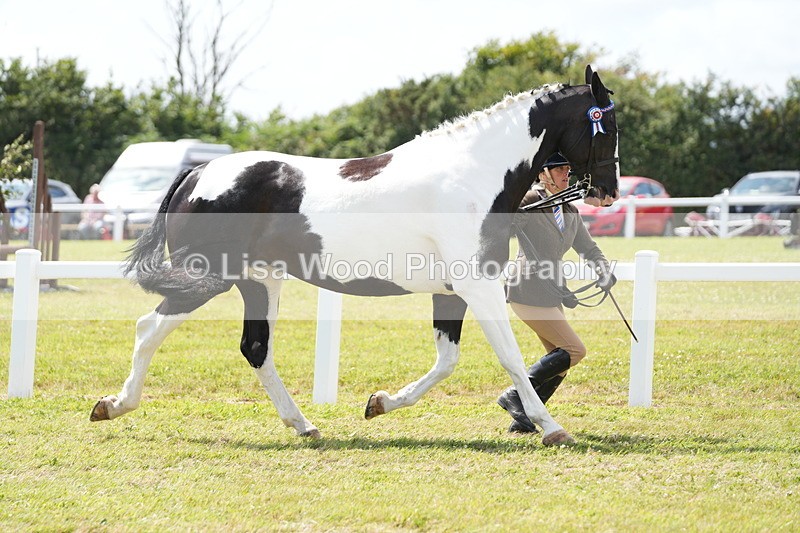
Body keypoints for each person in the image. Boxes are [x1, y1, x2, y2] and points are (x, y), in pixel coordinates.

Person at [497, 153, 616, 433]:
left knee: (559, 361)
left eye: (568, 168)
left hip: (552, 291)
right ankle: (515, 395)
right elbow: (503, 223)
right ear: (543, 174)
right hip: (527, 288)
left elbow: (588, 248)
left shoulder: (570, 211)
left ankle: (523, 421)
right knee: (574, 350)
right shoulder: (530, 201)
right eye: (560, 168)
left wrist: (603, 270)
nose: (566, 173)